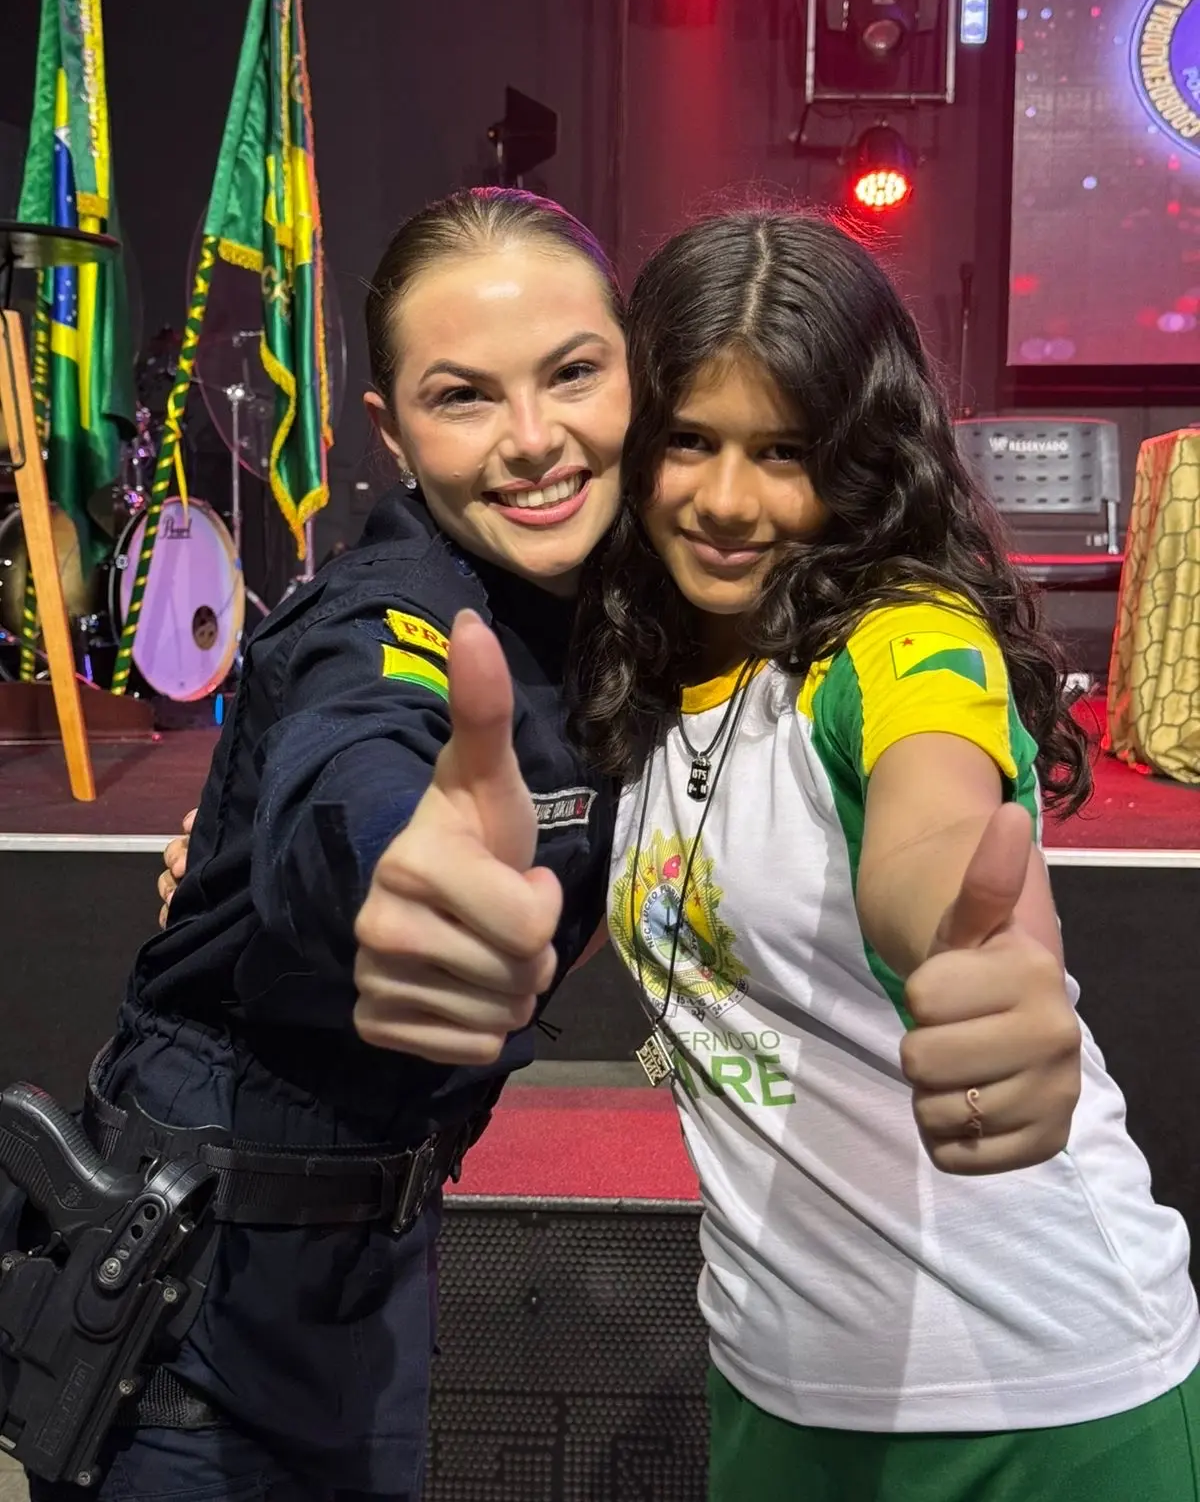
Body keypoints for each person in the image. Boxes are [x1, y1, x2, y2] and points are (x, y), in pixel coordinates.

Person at [354, 211, 1198, 1501]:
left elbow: (934, 841)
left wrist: (978, 964)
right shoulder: (641, 671)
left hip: (1041, 1394)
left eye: (785, 452)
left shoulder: (905, 640)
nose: (728, 503)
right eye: (690, 440)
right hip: (778, 1385)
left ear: (861, 460)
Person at [23, 186, 631, 1501]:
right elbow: (351, 767)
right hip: (190, 1325)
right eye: (463, 396)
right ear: (391, 431)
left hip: (372, 1286)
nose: (534, 439)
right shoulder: (383, 615)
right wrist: (401, 878)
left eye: (573, 373)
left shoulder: (623, 617)